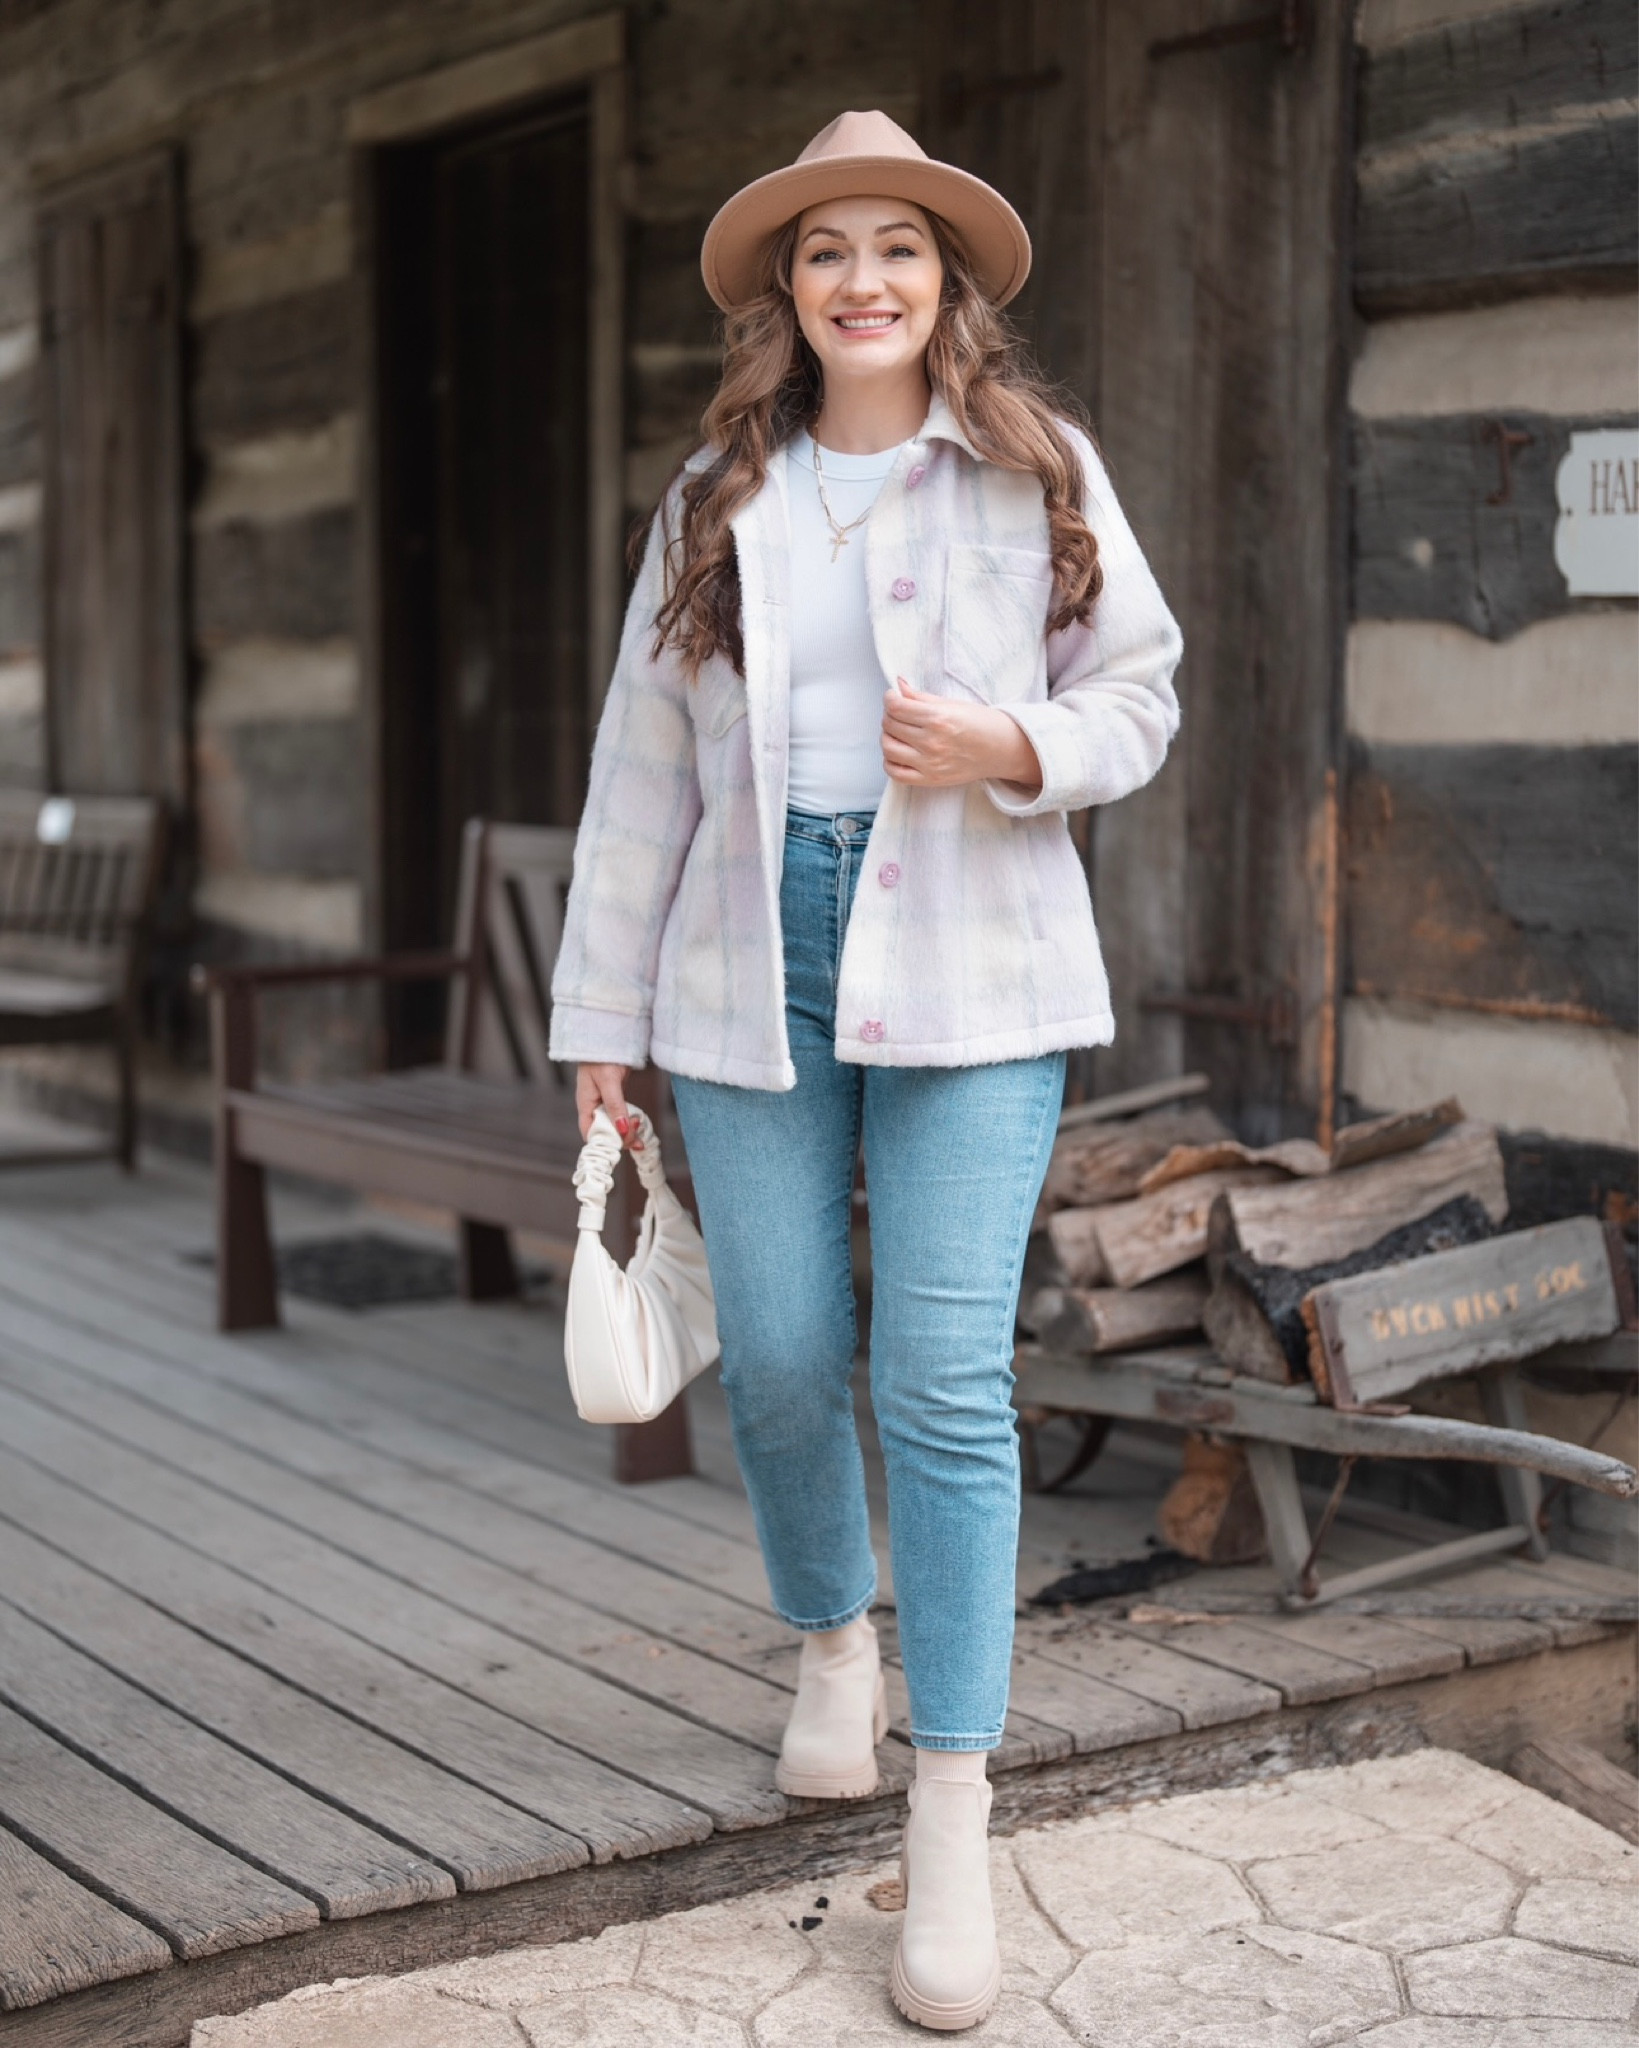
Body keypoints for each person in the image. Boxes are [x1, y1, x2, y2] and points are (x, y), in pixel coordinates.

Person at [550, 109, 1182, 2032]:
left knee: (942, 1382)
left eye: (899, 246)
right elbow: (639, 766)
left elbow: (1139, 692)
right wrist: (597, 1023)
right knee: (780, 1353)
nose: (865, 279)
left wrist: (1009, 745)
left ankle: (956, 1808)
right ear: (787, 291)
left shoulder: (1034, 467)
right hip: (747, 960)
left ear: (946, 280)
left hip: (975, 965)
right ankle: (833, 1640)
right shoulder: (714, 493)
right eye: (827, 251)